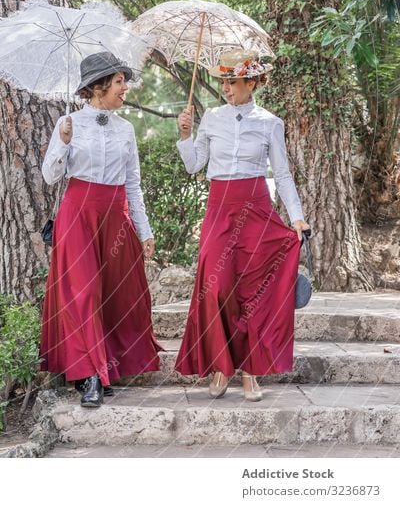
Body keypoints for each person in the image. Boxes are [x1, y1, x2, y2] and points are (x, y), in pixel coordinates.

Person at [173, 48, 311, 402]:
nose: (226, 88)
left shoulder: (270, 122)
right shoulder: (213, 117)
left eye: (232, 82)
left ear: (251, 82)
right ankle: (220, 365)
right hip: (219, 208)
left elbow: (281, 173)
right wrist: (185, 136)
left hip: (256, 210)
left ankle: (250, 372)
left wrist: (295, 216)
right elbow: (194, 166)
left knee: (254, 290)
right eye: (223, 82)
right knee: (217, 286)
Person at [40, 51, 163, 408]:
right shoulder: (69, 123)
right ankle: (89, 375)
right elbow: (50, 176)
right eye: (120, 81)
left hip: (116, 215)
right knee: (84, 293)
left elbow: (133, 183)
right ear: (98, 86)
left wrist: (144, 229)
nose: (125, 87)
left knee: (115, 293)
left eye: (124, 80)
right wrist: (62, 143)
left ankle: (107, 365)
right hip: (78, 215)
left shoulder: (126, 129)